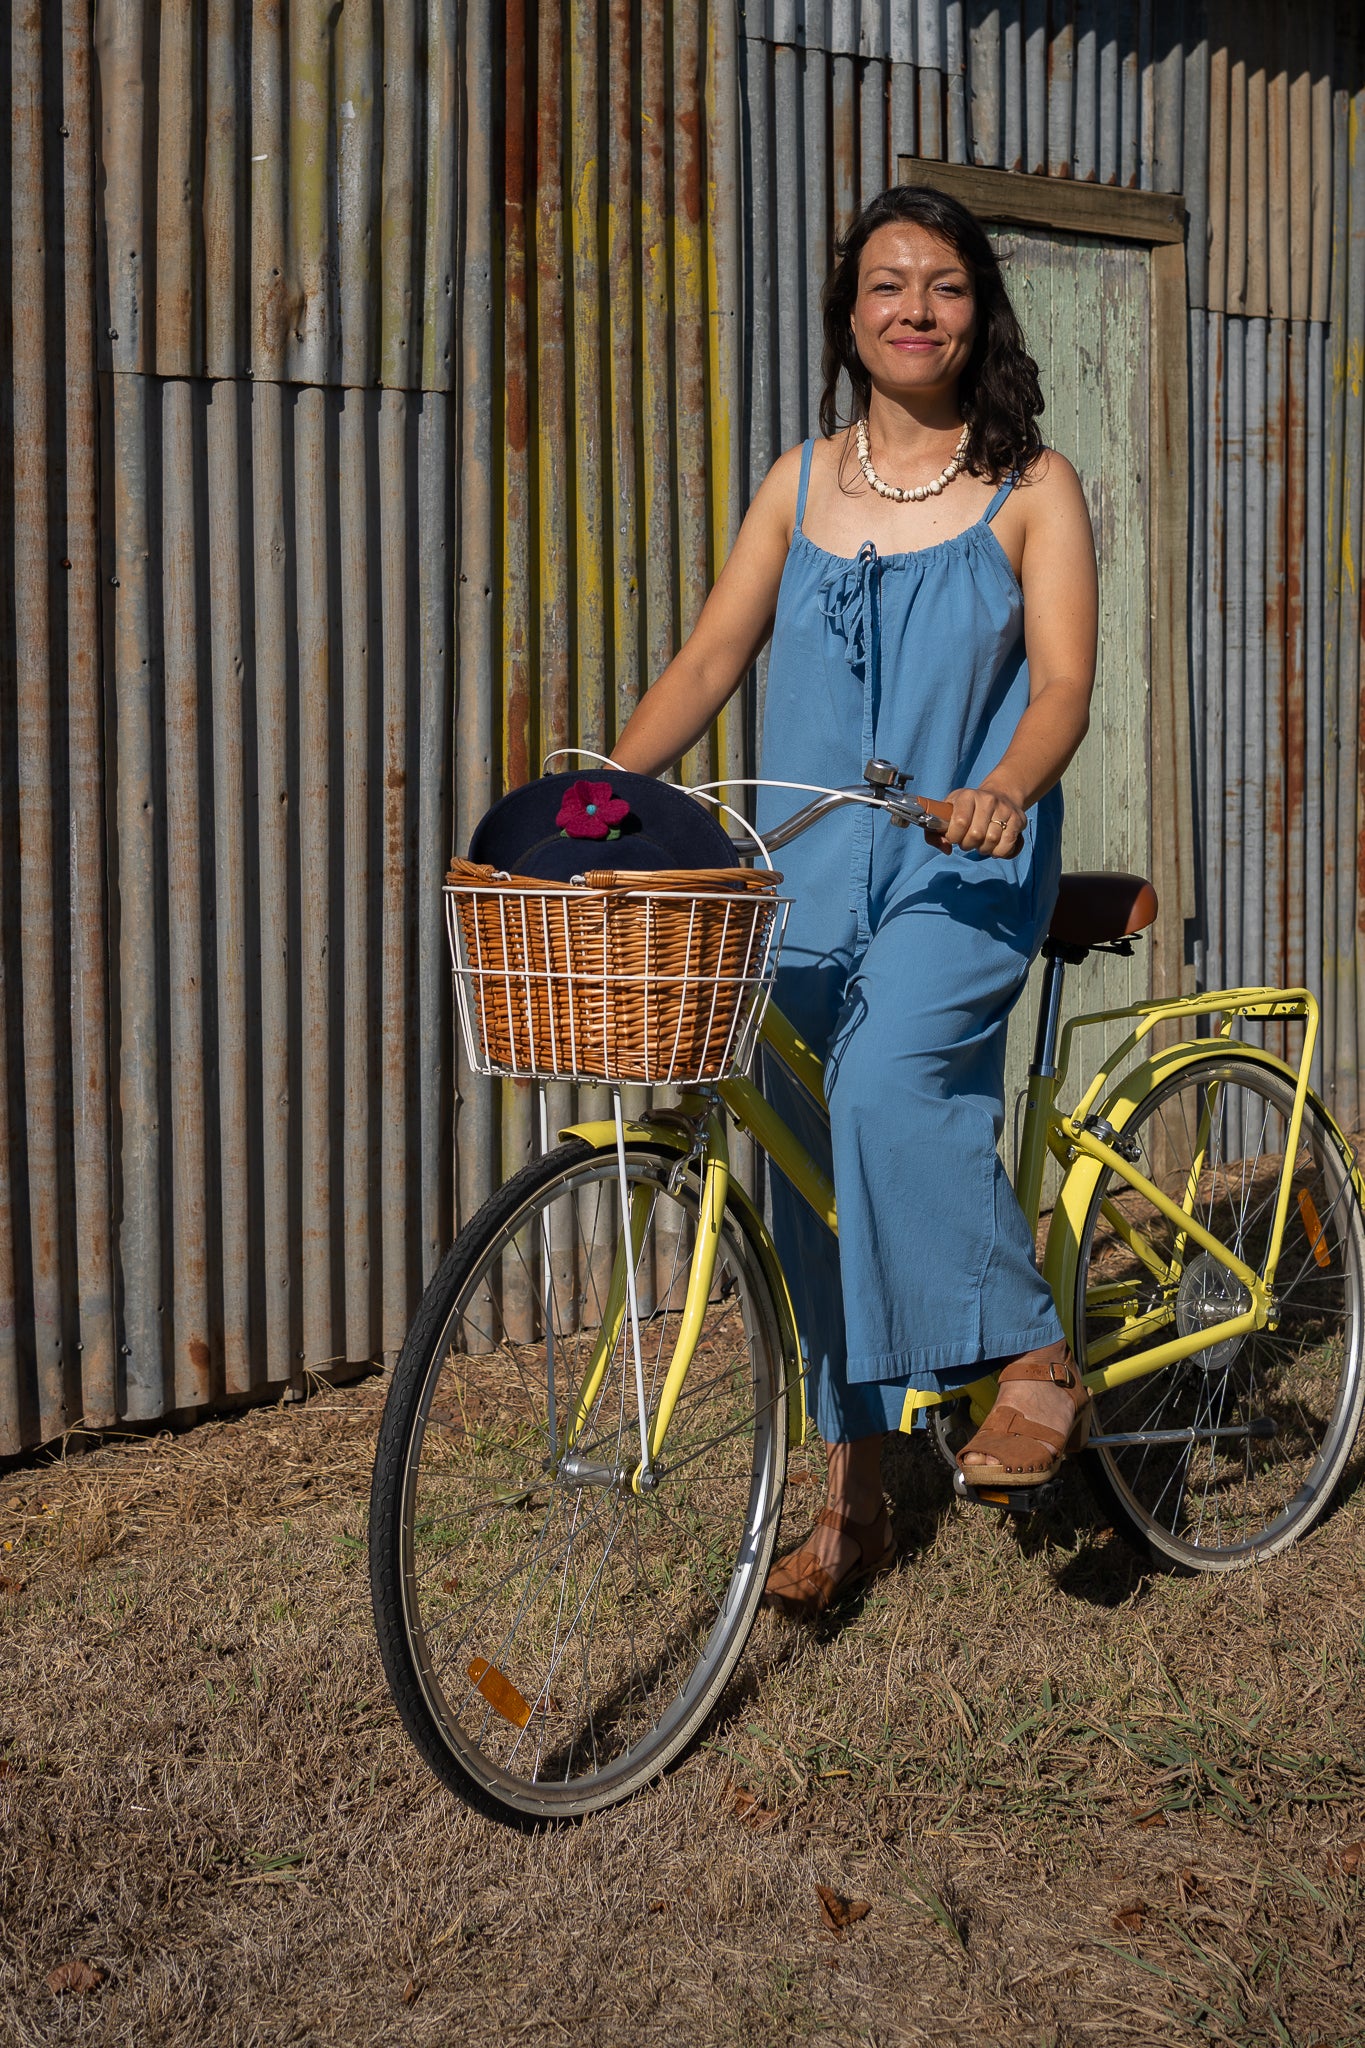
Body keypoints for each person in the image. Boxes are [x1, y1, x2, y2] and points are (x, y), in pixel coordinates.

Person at [608, 185, 1098, 1618]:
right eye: (885, 285)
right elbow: (706, 660)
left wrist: (1006, 779)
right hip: (806, 876)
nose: (911, 310)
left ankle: (1024, 1351)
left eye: (940, 286)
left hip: (961, 868)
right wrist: (599, 801)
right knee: (809, 1181)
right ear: (847, 315)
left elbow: (1063, 682)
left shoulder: (1034, 487)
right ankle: (856, 1491)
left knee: (887, 1088)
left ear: (976, 310)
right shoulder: (797, 479)